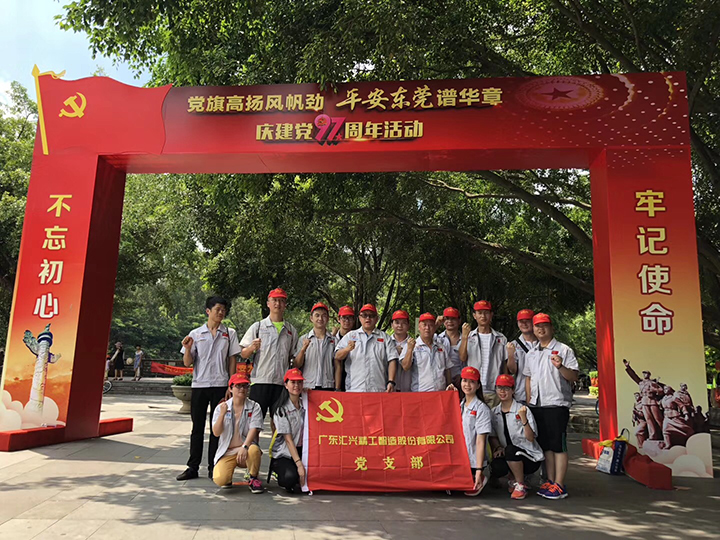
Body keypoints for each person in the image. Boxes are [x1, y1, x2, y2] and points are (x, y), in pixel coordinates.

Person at [176, 296, 240, 481]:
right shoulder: (195, 334)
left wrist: (231, 384)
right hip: (200, 385)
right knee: (197, 427)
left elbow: (232, 360)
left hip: (220, 386)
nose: (221, 313)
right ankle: (192, 467)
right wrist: (188, 348)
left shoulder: (229, 333)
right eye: (217, 309)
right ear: (208, 311)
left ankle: (214, 466)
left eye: (223, 310)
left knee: (217, 428)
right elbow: (187, 362)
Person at [523, 312, 578, 500]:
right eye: (537, 326)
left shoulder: (563, 350)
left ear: (551, 328)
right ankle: (551, 481)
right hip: (537, 405)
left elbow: (573, 376)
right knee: (546, 445)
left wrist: (561, 366)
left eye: (544, 325)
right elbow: (528, 378)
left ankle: (560, 484)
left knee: (558, 446)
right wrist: (529, 401)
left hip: (556, 404)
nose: (540, 329)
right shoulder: (531, 353)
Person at [240, 288, 299, 421]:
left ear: (285, 305)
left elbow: (292, 357)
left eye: (281, 301)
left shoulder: (291, 331)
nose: (278, 304)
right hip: (260, 381)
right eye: (274, 300)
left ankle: (277, 437)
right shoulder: (258, 327)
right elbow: (243, 353)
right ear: (268, 304)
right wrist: (251, 348)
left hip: (281, 383)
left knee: (279, 421)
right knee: (254, 422)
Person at [489, 374, 545, 500]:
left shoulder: (522, 409)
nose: (502, 391)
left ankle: (520, 484)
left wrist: (524, 419)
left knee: (510, 450)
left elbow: (531, 438)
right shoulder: (494, 412)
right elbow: (493, 436)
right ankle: (513, 477)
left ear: (513, 390)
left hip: (529, 457)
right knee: (497, 465)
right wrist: (498, 447)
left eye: (506, 388)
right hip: (508, 454)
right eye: (499, 388)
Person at [211, 373, 264, 493]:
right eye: (238, 386)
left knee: (254, 450)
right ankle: (227, 477)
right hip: (228, 451)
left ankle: (253, 477)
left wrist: (245, 446)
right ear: (230, 388)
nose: (242, 389)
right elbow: (216, 433)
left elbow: (254, 428)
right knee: (220, 479)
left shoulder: (254, 406)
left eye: (245, 386)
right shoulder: (221, 407)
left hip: (246, 448)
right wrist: (222, 414)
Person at [447, 366, 492, 496]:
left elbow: (480, 441)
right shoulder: (460, 404)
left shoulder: (482, 409)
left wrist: (478, 469)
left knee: (464, 489)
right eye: (465, 381)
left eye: (472, 382)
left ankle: (477, 476)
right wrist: (448, 396)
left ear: (478, 386)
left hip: (473, 460)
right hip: (459, 458)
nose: (467, 385)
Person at [335, 303, 399, 392]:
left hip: (378, 389)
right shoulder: (350, 336)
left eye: (371, 316)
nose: (368, 318)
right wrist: (347, 349)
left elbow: (392, 359)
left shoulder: (385, 338)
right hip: (355, 389)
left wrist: (391, 381)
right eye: (364, 315)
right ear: (360, 318)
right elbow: (337, 356)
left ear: (377, 319)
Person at [459, 300, 508, 407]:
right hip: (474, 388)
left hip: (494, 389)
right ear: (474, 315)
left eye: (486, 313)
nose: (483, 316)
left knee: (495, 417)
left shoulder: (501, 338)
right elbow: (462, 358)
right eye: (480, 313)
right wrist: (464, 337)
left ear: (491, 315)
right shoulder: (469, 336)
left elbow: (504, 365)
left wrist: (504, 386)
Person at [269, 368, 306, 493]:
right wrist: (299, 464)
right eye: (293, 382)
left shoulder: (307, 405)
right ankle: (278, 471)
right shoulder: (281, 410)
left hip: (303, 450)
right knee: (289, 478)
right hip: (285, 452)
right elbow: (288, 440)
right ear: (286, 385)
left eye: (299, 382)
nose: (297, 386)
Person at [403, 313, 452, 392]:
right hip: (420, 393)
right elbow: (405, 367)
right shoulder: (412, 345)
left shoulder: (441, 347)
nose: (427, 328)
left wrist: (449, 386)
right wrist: (409, 350)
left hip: (440, 393)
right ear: (419, 327)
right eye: (424, 325)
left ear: (434, 327)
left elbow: (447, 369)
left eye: (431, 325)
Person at [294, 303, 336, 390]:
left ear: (328, 318)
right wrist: (303, 349)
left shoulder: (334, 340)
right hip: (308, 385)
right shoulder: (303, 339)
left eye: (324, 315)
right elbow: (297, 364)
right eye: (317, 315)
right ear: (311, 318)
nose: (320, 318)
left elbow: (337, 365)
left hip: (328, 385)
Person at [506, 309, 538, 404]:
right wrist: (510, 355)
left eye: (527, 321)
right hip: (521, 393)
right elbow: (512, 370)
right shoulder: (514, 345)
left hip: (543, 394)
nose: (524, 324)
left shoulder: (543, 343)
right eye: (521, 321)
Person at [437, 307, 463, 388]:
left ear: (459, 321)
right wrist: (436, 324)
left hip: (462, 381)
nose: (450, 321)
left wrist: (462, 375)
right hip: (443, 381)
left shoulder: (466, 339)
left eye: (453, 319)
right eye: (447, 319)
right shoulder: (438, 339)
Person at [333, 306, 355, 391]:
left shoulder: (357, 338)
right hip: (332, 380)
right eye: (344, 318)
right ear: (339, 319)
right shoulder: (332, 339)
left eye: (350, 318)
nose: (347, 321)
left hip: (352, 380)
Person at [390, 310, 412, 392]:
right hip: (389, 389)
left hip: (409, 389)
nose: (400, 326)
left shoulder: (415, 344)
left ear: (408, 325)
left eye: (404, 323)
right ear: (392, 325)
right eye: (397, 322)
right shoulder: (386, 342)